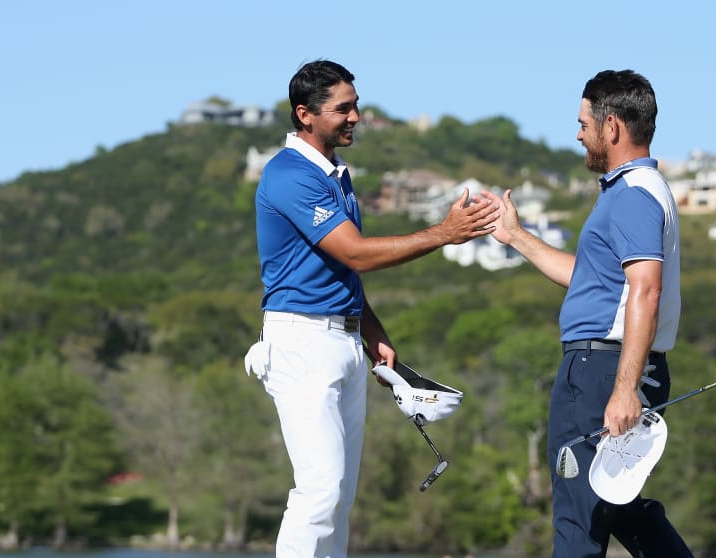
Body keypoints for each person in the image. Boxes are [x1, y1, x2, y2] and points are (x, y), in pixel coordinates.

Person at [246, 59, 497, 558]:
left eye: (356, 105)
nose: (356, 116)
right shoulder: (289, 174)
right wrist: (445, 234)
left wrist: (371, 327)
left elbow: (340, 271)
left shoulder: (336, 174)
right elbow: (356, 252)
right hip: (301, 343)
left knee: (339, 497)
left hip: (341, 340)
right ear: (306, 114)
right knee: (319, 489)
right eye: (344, 108)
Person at [482, 70, 692, 557]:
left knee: (579, 514)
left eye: (583, 123)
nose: (578, 133)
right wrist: (515, 238)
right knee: (616, 507)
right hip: (612, 367)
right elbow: (593, 278)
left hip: (603, 369)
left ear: (611, 126)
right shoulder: (634, 190)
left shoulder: (634, 194)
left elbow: (646, 291)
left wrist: (623, 388)